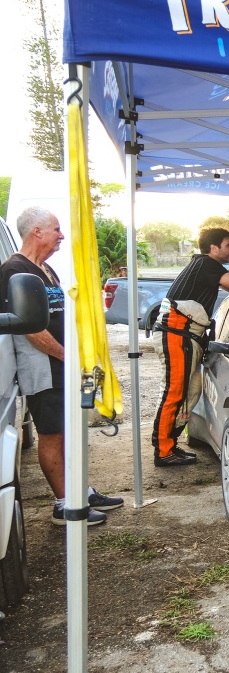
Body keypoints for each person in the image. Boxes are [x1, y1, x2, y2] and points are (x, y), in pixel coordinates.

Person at [0, 206, 123, 526]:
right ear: (36, 231)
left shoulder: (45, 269)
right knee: (52, 433)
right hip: (43, 366)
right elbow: (30, 328)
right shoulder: (15, 270)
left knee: (70, 431)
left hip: (59, 363)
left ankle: (79, 489)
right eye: (56, 229)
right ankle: (64, 504)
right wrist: (65, 356)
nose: (62, 235)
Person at [152, 228, 229, 466]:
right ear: (214, 248)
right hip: (176, 335)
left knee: (190, 392)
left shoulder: (205, 266)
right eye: (228, 245)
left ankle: (170, 445)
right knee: (174, 392)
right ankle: (163, 450)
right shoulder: (206, 264)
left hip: (184, 336)